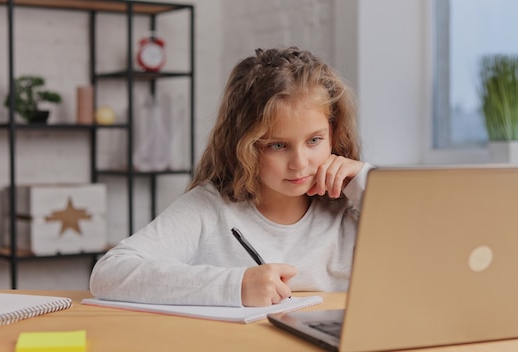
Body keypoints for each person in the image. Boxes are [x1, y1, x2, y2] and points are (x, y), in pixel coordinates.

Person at [89, 46, 374, 307]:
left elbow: (417, 265)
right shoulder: (211, 208)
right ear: (244, 146)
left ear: (333, 133)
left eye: (314, 140)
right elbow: (109, 273)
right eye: (277, 145)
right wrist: (236, 286)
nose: (299, 164)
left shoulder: (357, 203)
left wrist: (368, 184)